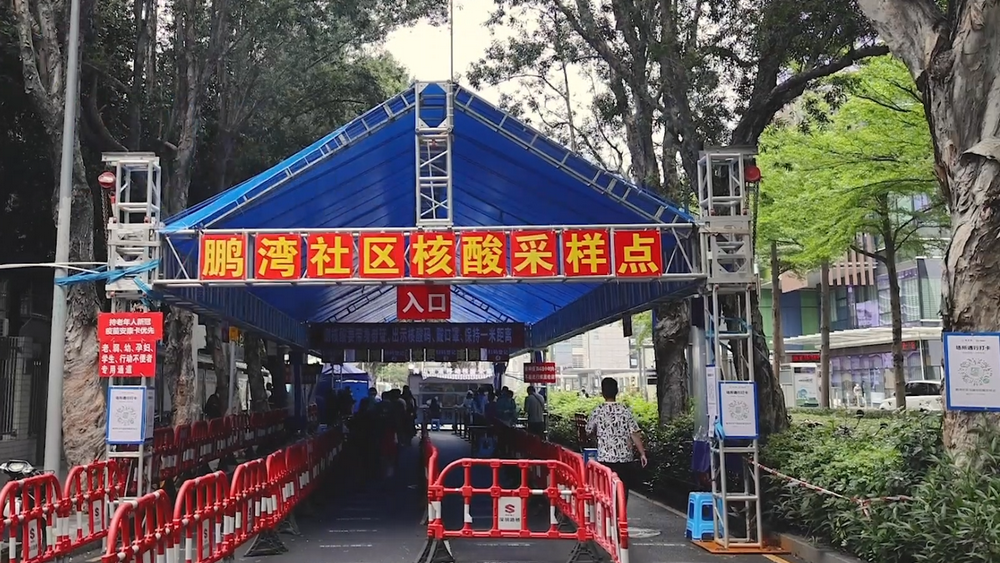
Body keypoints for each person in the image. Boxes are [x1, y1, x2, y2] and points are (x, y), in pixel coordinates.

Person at [586, 377, 647, 509]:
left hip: (605, 459)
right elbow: (634, 433)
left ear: (603, 392)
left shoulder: (598, 411)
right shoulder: (625, 410)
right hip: (625, 459)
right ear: (617, 391)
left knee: (607, 490)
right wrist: (642, 453)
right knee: (622, 490)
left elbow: (588, 431)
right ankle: (621, 515)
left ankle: (610, 516)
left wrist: (597, 436)